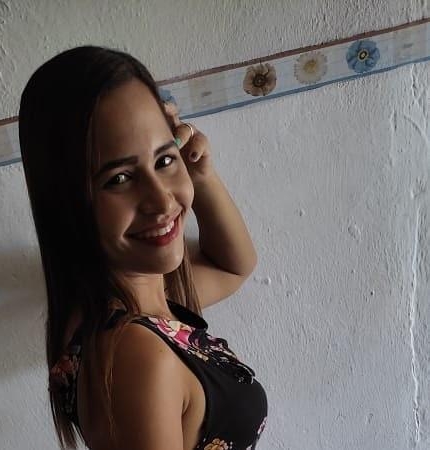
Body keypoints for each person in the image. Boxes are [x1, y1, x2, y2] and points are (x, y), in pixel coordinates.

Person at [18, 45, 268, 450]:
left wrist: (199, 174)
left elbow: (233, 267)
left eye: (164, 161)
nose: (161, 201)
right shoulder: (137, 354)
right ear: (65, 202)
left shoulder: (134, 301)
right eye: (119, 179)